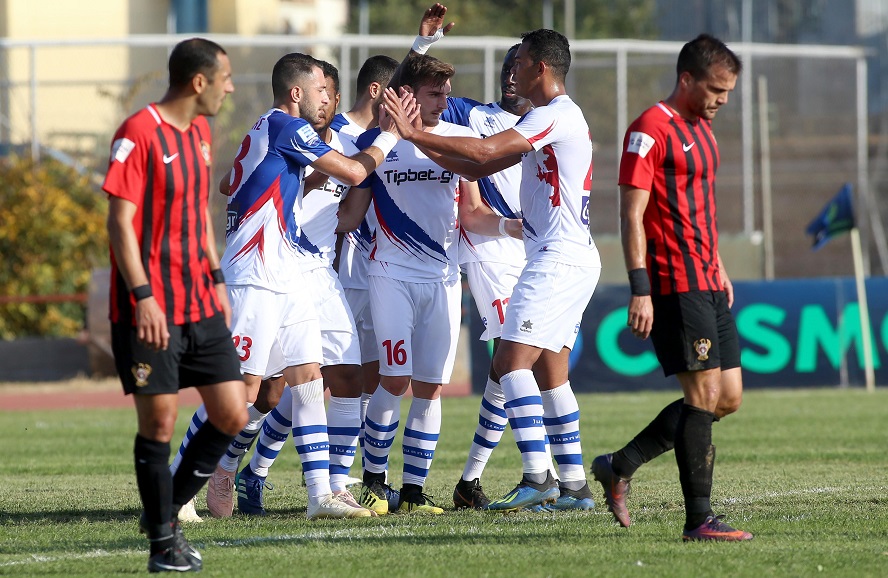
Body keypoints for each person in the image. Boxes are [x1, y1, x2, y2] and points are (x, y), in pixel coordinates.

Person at [383, 28, 600, 512]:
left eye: (519, 61)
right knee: (551, 372)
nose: (511, 70)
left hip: (556, 258)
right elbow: (478, 169)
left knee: (508, 363)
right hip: (570, 256)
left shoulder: (554, 114)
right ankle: (575, 486)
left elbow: (481, 153)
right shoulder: (558, 116)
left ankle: (538, 478)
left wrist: (413, 133)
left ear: (540, 68)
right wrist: (422, 141)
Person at [194, 51, 411, 521]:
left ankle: (323, 493)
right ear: (297, 93)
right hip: (256, 271)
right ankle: (182, 482)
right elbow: (355, 172)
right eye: (319, 90)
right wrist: (392, 136)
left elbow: (230, 184)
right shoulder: (286, 126)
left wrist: (293, 180)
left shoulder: (268, 129)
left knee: (313, 377)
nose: (327, 98)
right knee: (246, 389)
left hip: (290, 267)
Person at [590, 34, 752, 542]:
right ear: (686, 79)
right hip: (673, 281)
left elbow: (700, 204)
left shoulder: (703, 130)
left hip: (708, 277)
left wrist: (720, 262)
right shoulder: (649, 130)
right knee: (702, 394)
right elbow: (630, 214)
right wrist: (640, 288)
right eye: (716, 88)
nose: (723, 99)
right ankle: (699, 520)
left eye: (728, 90)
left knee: (727, 398)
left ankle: (621, 464)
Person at [352, 52, 520, 516]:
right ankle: (372, 480)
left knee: (430, 387)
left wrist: (511, 226)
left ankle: (412, 493)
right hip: (391, 275)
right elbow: (350, 212)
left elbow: (472, 213)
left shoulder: (458, 137)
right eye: (435, 93)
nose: (446, 100)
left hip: (444, 279)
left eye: (448, 92)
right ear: (406, 95)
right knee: (394, 378)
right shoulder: (375, 142)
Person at [103, 38, 247, 573]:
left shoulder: (203, 133)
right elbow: (119, 222)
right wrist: (142, 297)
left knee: (232, 413)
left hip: (200, 302)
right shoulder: (138, 132)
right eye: (225, 78)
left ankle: (160, 511)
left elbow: (196, 216)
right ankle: (163, 541)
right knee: (160, 424)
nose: (231, 88)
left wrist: (216, 281)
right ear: (199, 82)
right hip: (150, 308)